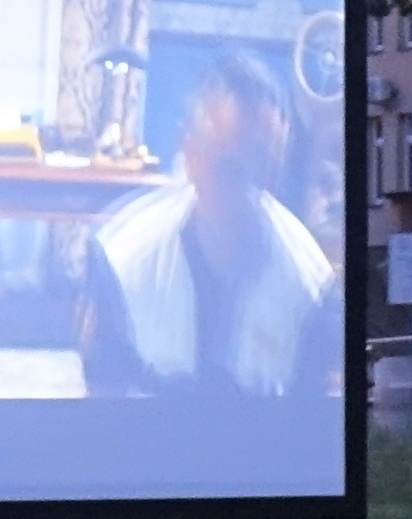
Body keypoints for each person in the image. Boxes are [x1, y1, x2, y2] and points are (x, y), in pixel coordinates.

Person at [78, 47, 335, 399]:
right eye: (229, 168)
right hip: (147, 447)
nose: (247, 190)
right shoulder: (124, 259)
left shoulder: (310, 283)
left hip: (259, 449)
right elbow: (101, 402)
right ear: (191, 154)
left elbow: (312, 424)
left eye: (262, 170)